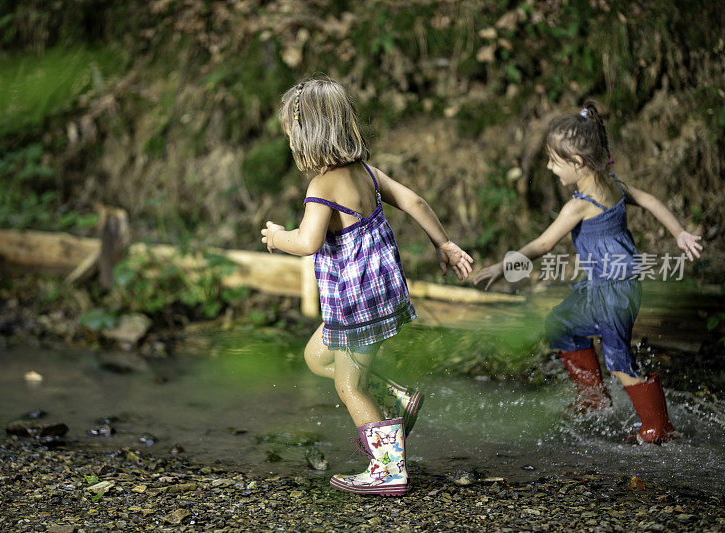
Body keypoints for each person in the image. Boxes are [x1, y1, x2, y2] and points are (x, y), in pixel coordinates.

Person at [260, 78, 473, 494]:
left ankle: (387, 468)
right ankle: (396, 399)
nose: (290, 144)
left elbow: (307, 241)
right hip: (381, 295)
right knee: (315, 355)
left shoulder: (322, 186)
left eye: (290, 135)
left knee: (347, 384)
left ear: (307, 136)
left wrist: (276, 237)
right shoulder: (364, 172)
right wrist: (443, 242)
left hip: (355, 304)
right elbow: (413, 201)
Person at [474, 102, 703, 444]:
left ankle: (657, 427)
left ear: (577, 163)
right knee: (562, 325)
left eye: (554, 161)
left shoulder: (579, 205)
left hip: (613, 291)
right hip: (605, 285)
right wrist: (679, 233)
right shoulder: (612, 184)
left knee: (618, 359)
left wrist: (503, 266)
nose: (550, 168)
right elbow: (652, 201)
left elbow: (543, 244)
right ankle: (593, 400)